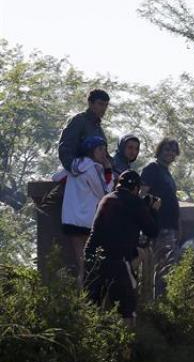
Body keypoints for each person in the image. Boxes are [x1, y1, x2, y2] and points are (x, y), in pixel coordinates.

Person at [85, 170, 160, 325]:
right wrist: (153, 210)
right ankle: (125, 345)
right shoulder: (135, 202)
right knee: (127, 308)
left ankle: (89, 342)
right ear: (136, 188)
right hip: (117, 260)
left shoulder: (106, 198)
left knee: (91, 305)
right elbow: (152, 231)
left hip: (92, 256)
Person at [52, 135, 114, 285]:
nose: (104, 153)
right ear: (91, 151)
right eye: (100, 149)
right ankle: (85, 299)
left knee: (80, 261)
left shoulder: (73, 165)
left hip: (70, 220)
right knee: (87, 266)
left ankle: (80, 299)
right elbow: (105, 193)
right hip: (87, 222)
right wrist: (108, 172)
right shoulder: (92, 169)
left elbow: (56, 177)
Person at [141, 138, 181, 298]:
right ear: (159, 151)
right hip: (155, 226)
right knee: (153, 267)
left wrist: (178, 226)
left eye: (173, 150)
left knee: (166, 268)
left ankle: (160, 306)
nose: (170, 153)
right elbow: (142, 195)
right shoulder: (152, 168)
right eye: (166, 149)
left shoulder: (167, 173)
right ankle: (150, 305)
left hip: (169, 227)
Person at [57, 89, 109, 173]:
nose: (103, 109)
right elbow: (65, 149)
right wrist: (77, 169)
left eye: (106, 105)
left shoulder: (98, 128)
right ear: (90, 103)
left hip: (95, 175)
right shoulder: (79, 121)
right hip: (79, 175)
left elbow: (104, 156)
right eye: (100, 104)